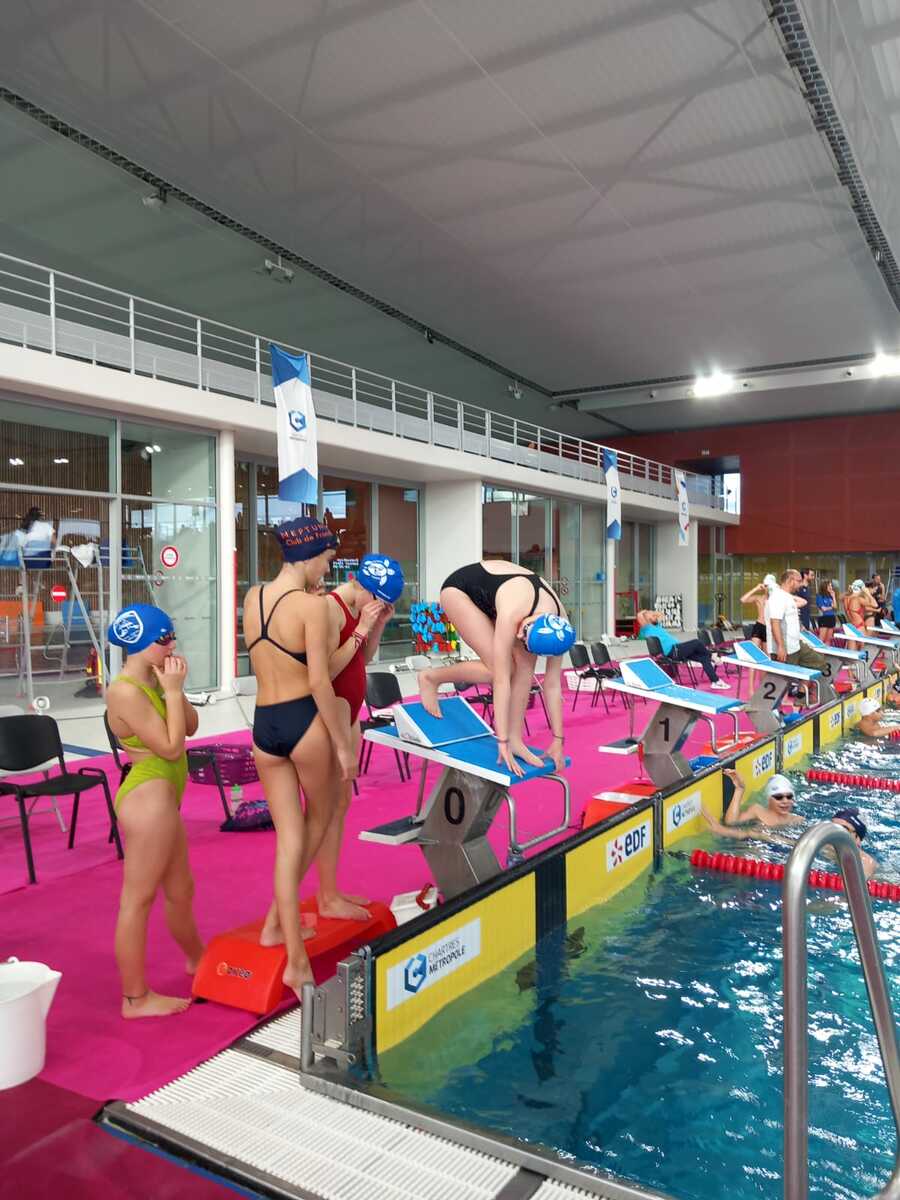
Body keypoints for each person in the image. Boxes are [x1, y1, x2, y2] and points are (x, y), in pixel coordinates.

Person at [246, 516, 357, 1000]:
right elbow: (318, 681)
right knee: (321, 818)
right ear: (310, 556)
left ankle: (284, 940)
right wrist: (341, 746)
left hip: (263, 726)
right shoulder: (312, 607)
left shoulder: (252, 598)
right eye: (327, 560)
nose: (326, 571)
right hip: (304, 720)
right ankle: (287, 945)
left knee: (288, 841)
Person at [105, 604, 203, 1018]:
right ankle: (135, 998)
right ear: (141, 644)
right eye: (164, 639)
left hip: (165, 795)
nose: (172, 645)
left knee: (181, 890)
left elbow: (191, 726)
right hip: (148, 796)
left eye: (172, 636)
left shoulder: (157, 679)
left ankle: (198, 959)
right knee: (138, 899)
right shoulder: (124, 691)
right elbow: (171, 747)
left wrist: (173, 688)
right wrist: (174, 693)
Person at [417, 560, 576, 777]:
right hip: (461, 591)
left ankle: (517, 740)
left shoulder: (560, 627)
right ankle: (431, 677)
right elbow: (501, 681)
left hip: (503, 593)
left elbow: (553, 685)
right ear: (530, 623)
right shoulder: (512, 614)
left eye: (524, 639)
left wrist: (558, 739)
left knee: (524, 669)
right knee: (500, 670)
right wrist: (502, 741)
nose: (518, 636)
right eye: (523, 631)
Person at [314, 554, 403, 922]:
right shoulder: (330, 609)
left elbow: (361, 659)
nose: (377, 607)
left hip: (350, 713)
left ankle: (330, 891)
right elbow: (325, 671)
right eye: (377, 601)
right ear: (360, 584)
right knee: (324, 810)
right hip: (331, 716)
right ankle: (324, 896)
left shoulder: (360, 610)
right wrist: (362, 627)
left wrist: (375, 625)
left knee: (340, 806)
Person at [636, 608, 729, 689]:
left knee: (704, 658)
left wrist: (652, 614)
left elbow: (660, 615)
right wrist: (644, 614)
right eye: (652, 616)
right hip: (674, 651)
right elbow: (641, 619)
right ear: (647, 620)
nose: (654, 617)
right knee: (696, 642)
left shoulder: (656, 626)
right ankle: (712, 656)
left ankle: (715, 681)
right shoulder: (646, 629)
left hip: (678, 650)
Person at [767, 569, 826, 672]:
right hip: (787, 648)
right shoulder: (777, 597)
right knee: (788, 677)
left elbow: (791, 616)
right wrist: (780, 647)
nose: (801, 584)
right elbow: (775, 623)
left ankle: (803, 683)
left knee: (819, 662)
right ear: (790, 581)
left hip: (795, 644)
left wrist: (801, 626)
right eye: (799, 581)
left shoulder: (788, 597)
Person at [815, 579, 837, 645]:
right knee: (821, 639)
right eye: (829, 586)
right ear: (824, 586)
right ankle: (818, 651)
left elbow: (835, 606)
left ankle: (826, 651)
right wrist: (831, 607)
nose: (831, 587)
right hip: (824, 618)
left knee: (829, 639)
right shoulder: (820, 596)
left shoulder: (830, 596)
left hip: (831, 618)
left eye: (831, 586)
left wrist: (834, 596)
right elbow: (823, 609)